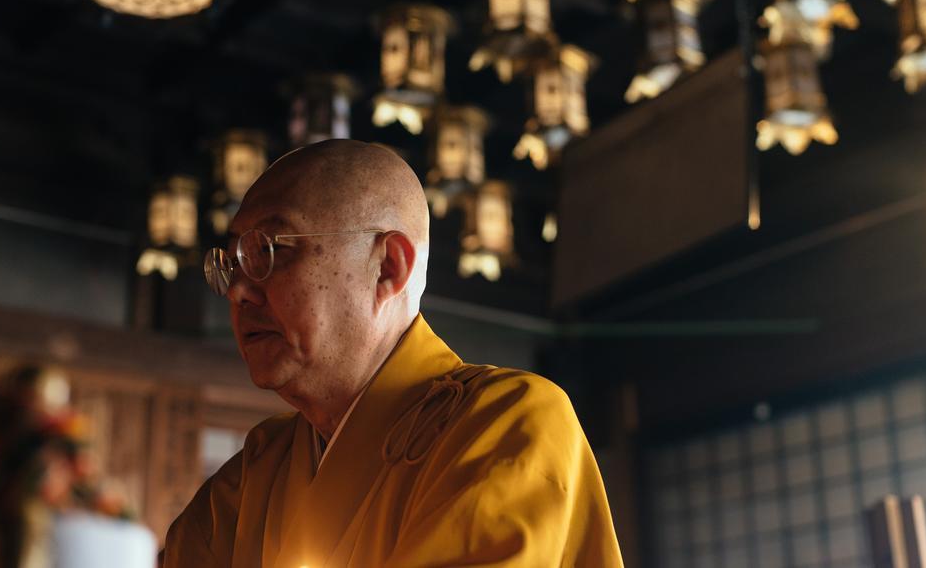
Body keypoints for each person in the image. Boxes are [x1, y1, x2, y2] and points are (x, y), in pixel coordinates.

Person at [163, 140, 623, 567]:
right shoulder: (255, 472)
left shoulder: (508, 421)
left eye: (268, 251)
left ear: (388, 267)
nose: (239, 291)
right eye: (233, 264)